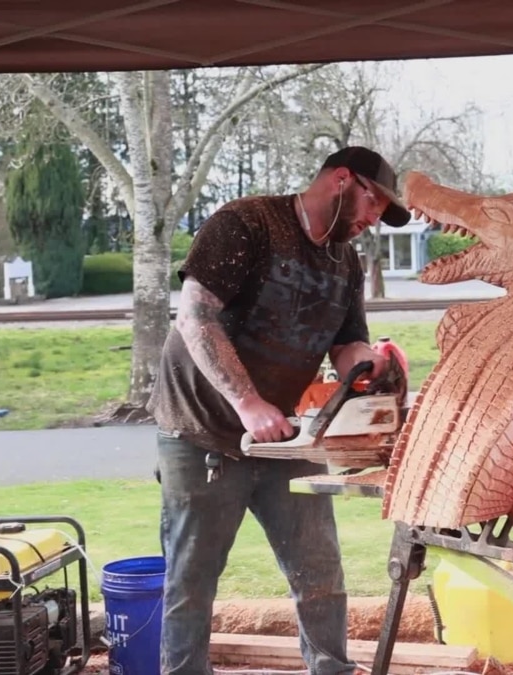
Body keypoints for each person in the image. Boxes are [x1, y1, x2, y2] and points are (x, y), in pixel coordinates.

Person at [146, 146, 413, 675]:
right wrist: (247, 403)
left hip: (286, 436)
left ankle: (332, 669)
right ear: (342, 180)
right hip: (202, 429)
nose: (372, 219)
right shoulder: (247, 223)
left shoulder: (344, 259)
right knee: (191, 581)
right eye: (373, 203)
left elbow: (347, 345)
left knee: (319, 571)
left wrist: (369, 364)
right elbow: (195, 317)